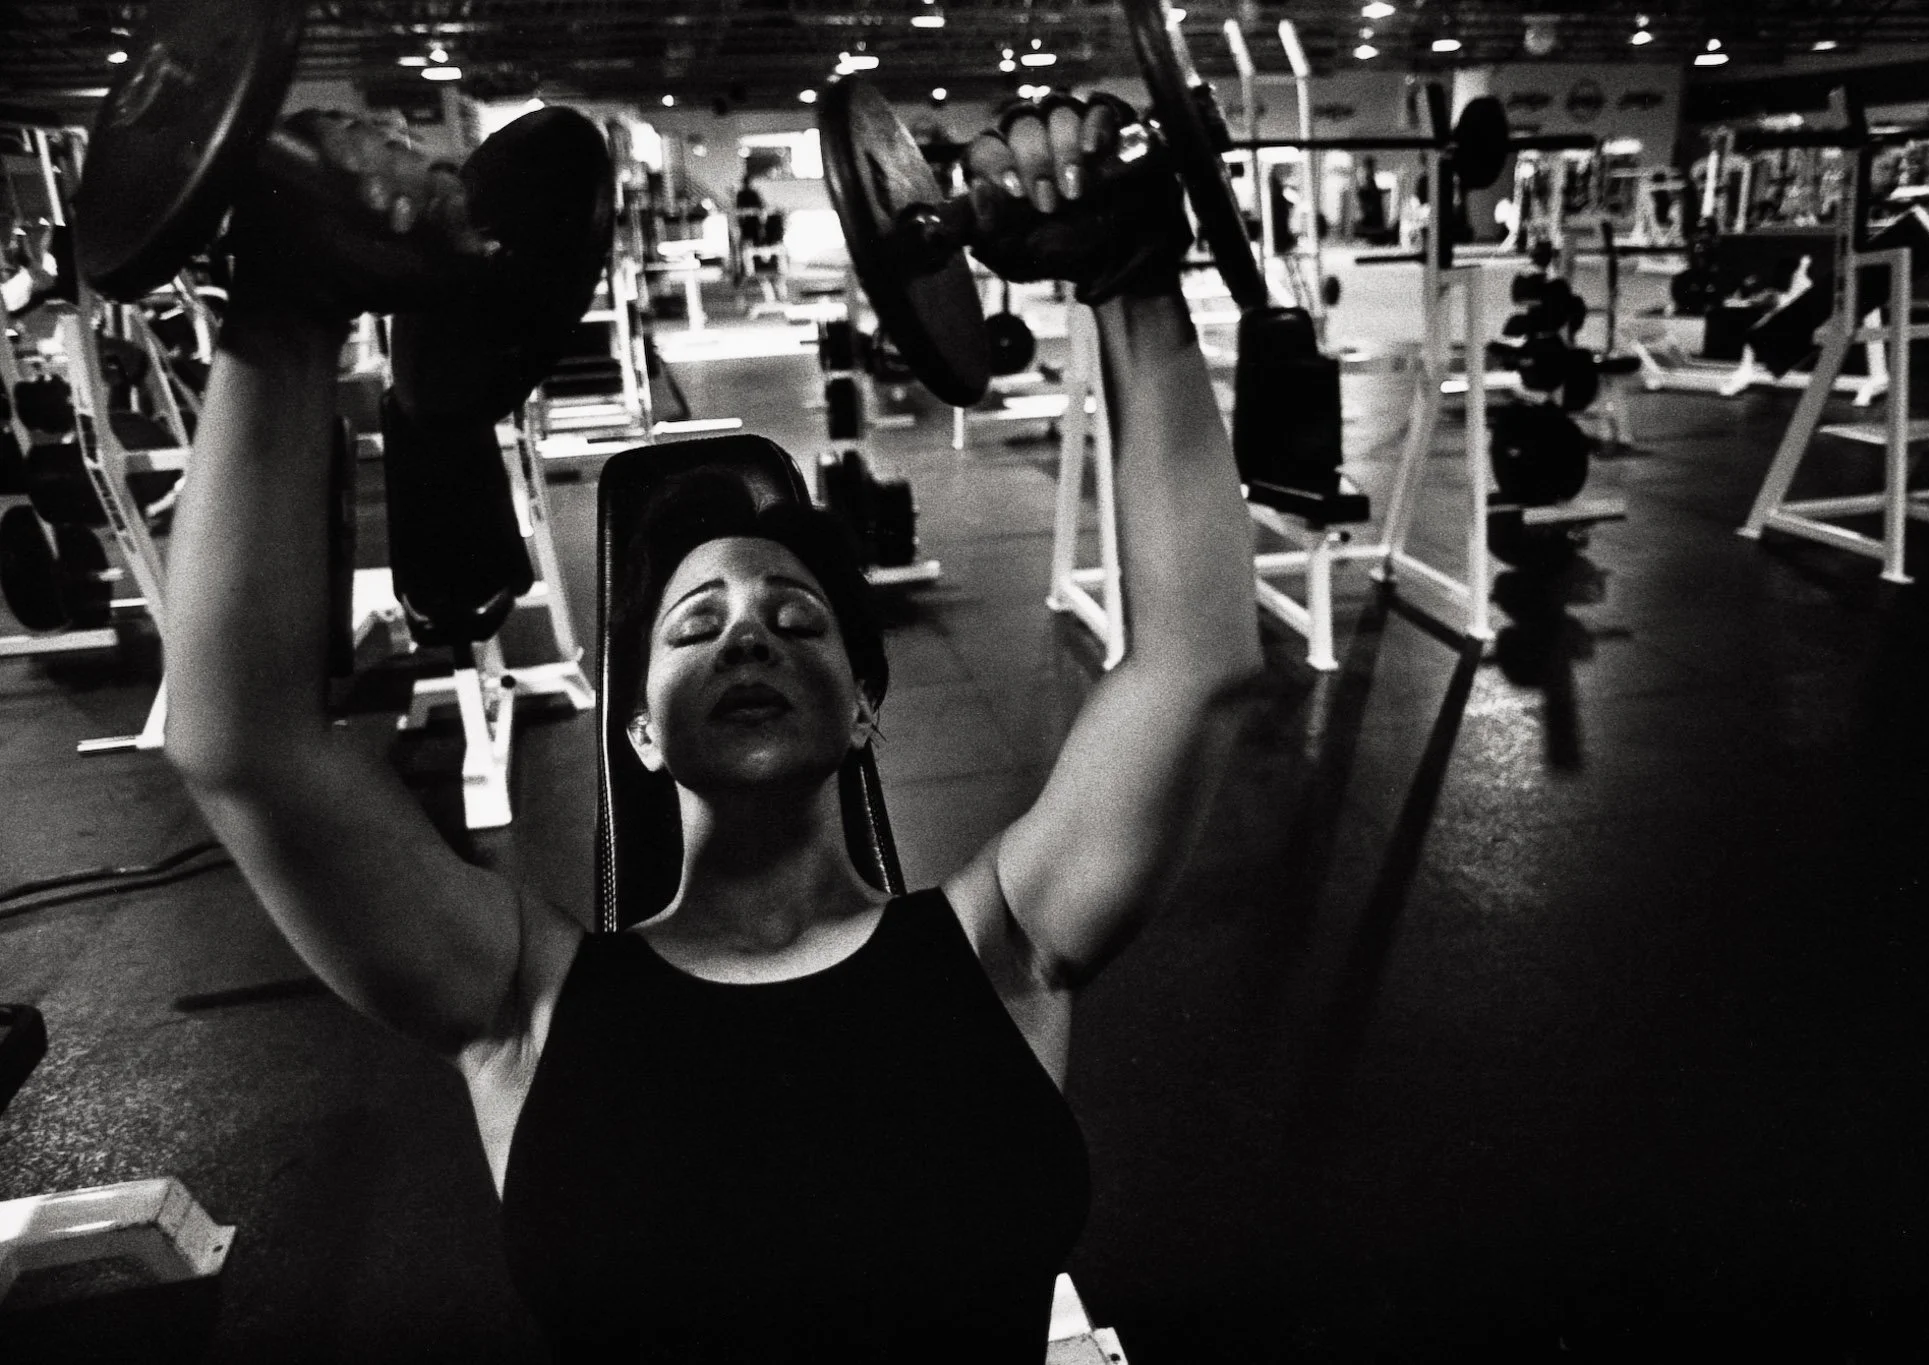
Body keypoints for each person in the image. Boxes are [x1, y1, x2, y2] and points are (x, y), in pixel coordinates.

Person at [164, 93, 1260, 1362]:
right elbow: (243, 745)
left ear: (860, 711)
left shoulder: (1004, 944)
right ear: (635, 732)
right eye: (694, 627)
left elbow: (1195, 667)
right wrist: (285, 314)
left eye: (797, 619)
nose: (748, 635)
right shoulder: (521, 997)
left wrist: (1131, 281)